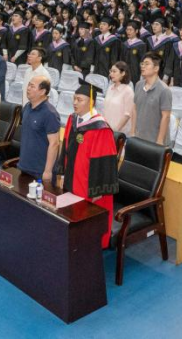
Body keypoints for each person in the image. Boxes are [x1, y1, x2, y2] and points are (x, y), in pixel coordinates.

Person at [56, 83, 120, 248]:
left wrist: (98, 190)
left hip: (90, 186)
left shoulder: (100, 128)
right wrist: (61, 173)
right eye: (74, 99)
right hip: (72, 180)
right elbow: (65, 147)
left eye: (79, 99)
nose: (74, 103)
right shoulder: (73, 119)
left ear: (91, 102)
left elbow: (105, 161)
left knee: (88, 226)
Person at [17, 76, 59, 181]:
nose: (28, 88)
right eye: (28, 85)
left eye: (32, 86)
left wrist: (48, 171)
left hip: (40, 171)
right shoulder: (27, 107)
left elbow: (54, 144)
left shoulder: (50, 113)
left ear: (42, 91)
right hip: (24, 166)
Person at [133, 52, 172, 145]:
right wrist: (132, 132)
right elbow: (134, 109)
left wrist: (160, 141)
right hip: (139, 137)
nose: (143, 66)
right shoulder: (138, 85)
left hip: (155, 141)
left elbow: (166, 117)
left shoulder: (164, 90)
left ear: (156, 68)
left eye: (147, 64)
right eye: (142, 63)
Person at [101, 61, 135, 134]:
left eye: (114, 71)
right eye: (110, 71)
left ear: (123, 73)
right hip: (106, 129)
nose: (111, 74)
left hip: (119, 133)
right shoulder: (110, 88)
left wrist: (115, 130)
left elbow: (127, 115)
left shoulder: (128, 91)